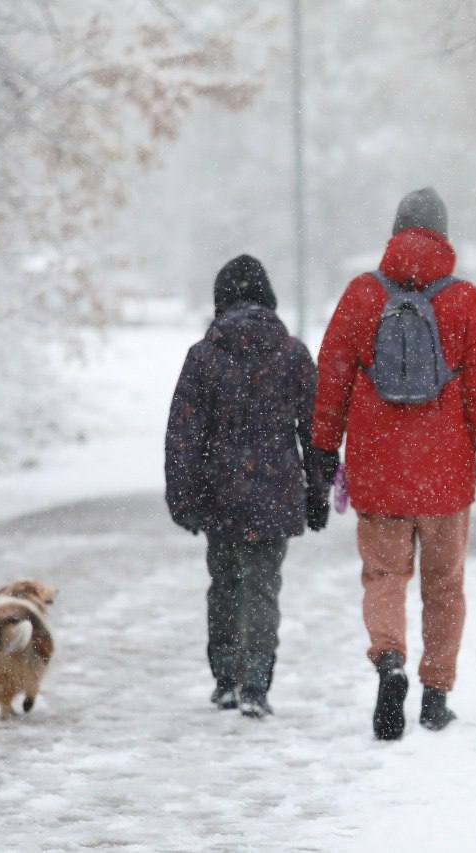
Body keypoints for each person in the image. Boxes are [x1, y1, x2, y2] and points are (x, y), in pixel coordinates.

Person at [309, 187, 476, 741]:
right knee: (444, 586)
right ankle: (435, 694)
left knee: (384, 577)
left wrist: (322, 452)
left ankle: (390, 662)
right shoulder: (465, 300)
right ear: (443, 235)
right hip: (446, 473)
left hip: (377, 469)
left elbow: (330, 379)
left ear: (396, 229)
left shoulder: (362, 295)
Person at [164, 254, 329, 720]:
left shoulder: (203, 356)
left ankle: (225, 679)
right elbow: (316, 431)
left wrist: (184, 498)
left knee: (224, 585)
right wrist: (317, 493)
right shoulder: (293, 353)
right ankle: (256, 682)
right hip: (276, 492)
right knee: (262, 588)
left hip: (221, 493)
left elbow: (183, 435)